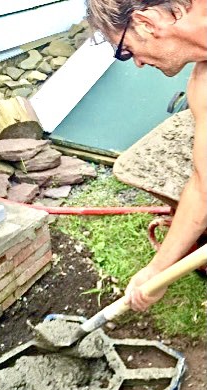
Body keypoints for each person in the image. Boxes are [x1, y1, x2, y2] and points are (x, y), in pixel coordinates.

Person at [86, 0, 207, 311]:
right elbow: (203, 186)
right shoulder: (202, 85)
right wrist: (158, 270)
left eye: (125, 51)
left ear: (145, 24)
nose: (136, 63)